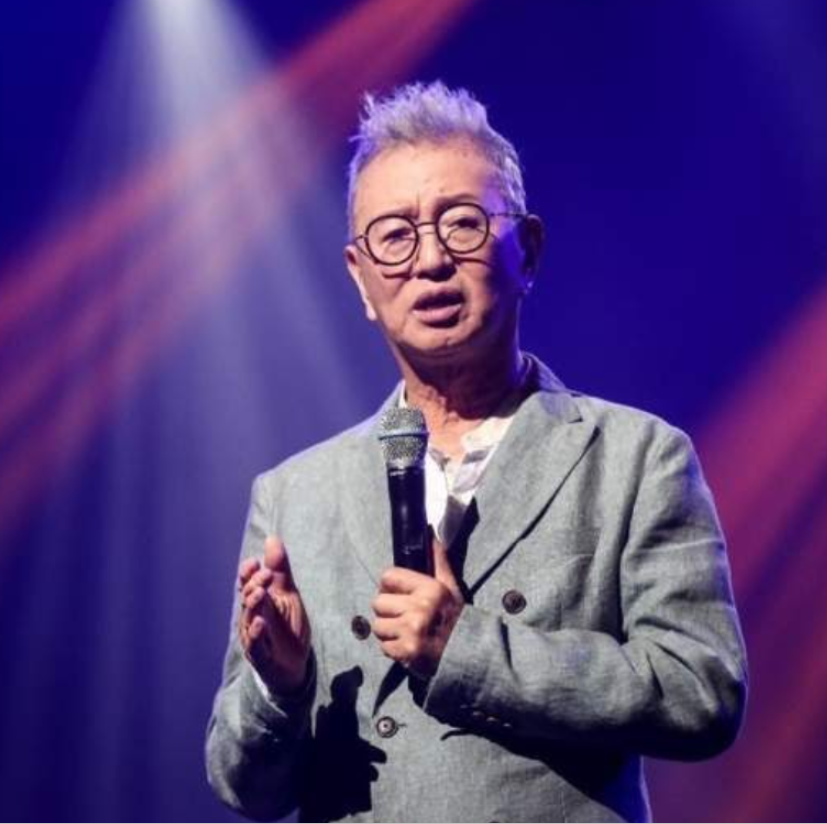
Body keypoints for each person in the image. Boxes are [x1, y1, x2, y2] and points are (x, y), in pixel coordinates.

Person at [205, 81, 747, 823]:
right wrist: (282, 684)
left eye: (461, 223)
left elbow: (702, 691)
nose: (430, 260)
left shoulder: (636, 458)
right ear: (360, 278)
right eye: (394, 236)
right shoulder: (294, 494)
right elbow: (243, 788)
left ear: (527, 251)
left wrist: (466, 648)